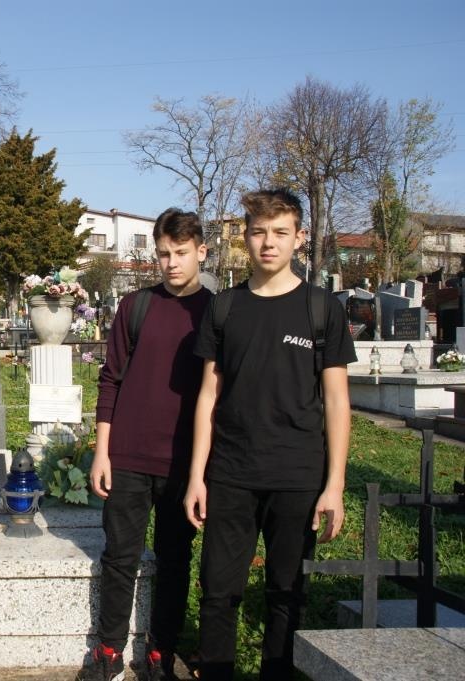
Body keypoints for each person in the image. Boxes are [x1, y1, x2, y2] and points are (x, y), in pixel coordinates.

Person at [183, 189, 355, 680]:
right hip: (231, 474)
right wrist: (197, 477)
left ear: (300, 238)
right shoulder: (225, 307)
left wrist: (335, 485)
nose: (268, 242)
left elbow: (337, 401)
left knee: (286, 594)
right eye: (258, 232)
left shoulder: (321, 309)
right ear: (245, 237)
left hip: (297, 475)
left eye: (280, 232)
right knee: (218, 592)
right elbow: (208, 397)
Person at [77, 209, 212, 681]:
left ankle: (161, 651)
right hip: (128, 457)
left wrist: (204, 471)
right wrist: (102, 451)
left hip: (182, 464)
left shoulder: (216, 312)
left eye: (181, 253)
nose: (171, 263)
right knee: (119, 558)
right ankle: (109, 650)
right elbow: (110, 379)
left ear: (201, 252)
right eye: (163, 254)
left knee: (175, 561)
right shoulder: (136, 306)